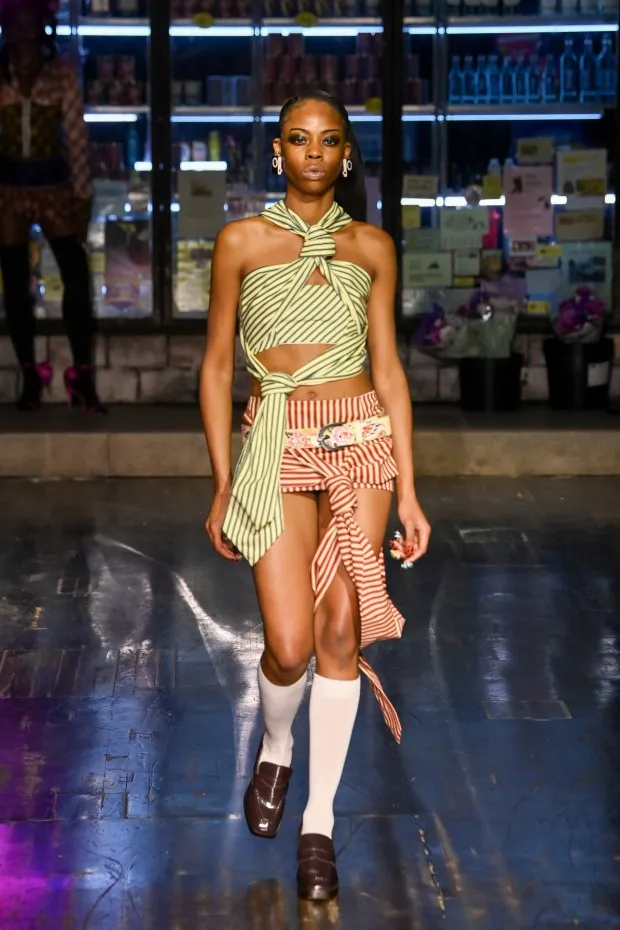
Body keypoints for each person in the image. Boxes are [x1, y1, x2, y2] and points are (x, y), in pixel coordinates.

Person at [200, 91, 431, 901]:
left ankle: (319, 823)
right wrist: (226, 480)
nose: (311, 152)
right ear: (276, 153)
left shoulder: (372, 247)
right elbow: (220, 367)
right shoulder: (240, 242)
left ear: (345, 156)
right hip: (275, 444)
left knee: (341, 628)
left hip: (360, 439)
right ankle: (276, 743)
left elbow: (391, 369)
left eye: (327, 141)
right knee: (290, 644)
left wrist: (409, 488)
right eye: (297, 139)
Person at [0, 0, 104, 412]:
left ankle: (82, 374)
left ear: (43, 27)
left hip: (54, 183)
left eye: (31, 23)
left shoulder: (61, 72)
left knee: (76, 281)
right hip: (8, 186)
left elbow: (77, 137)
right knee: (15, 286)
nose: (24, 32)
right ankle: (29, 374)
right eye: (16, 24)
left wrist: (82, 196)